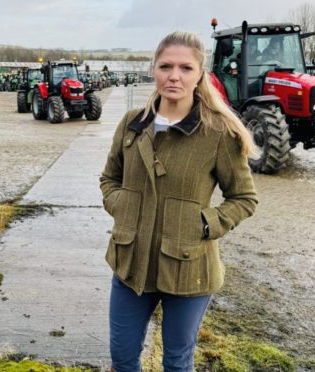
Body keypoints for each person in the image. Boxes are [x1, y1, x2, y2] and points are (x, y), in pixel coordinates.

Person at [100, 31, 258, 372]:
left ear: (200, 73)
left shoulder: (218, 133)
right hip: (130, 263)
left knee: (177, 362)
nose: (174, 76)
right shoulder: (131, 125)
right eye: (166, 66)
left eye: (186, 68)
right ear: (153, 69)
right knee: (122, 359)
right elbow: (109, 178)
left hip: (189, 269)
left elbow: (244, 198)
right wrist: (122, 207)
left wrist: (204, 224)